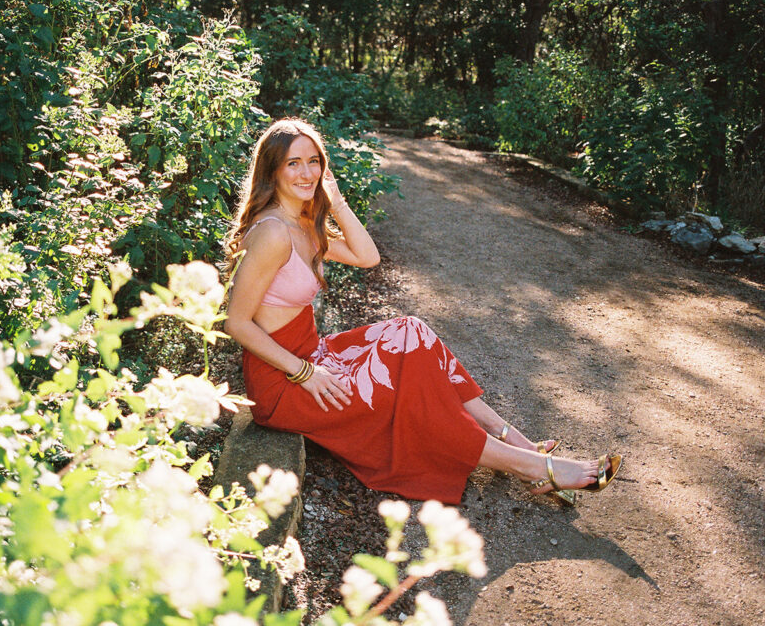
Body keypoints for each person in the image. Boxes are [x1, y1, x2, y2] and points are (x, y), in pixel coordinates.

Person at [223, 118, 620, 506]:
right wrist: (306, 373)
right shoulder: (272, 232)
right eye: (294, 163)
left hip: (313, 353)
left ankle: (509, 436)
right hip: (285, 381)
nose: (307, 172)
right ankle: (535, 466)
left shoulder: (302, 223)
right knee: (414, 394)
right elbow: (236, 322)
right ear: (272, 170)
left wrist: (336, 200)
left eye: (314, 161)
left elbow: (368, 256)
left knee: (409, 332)